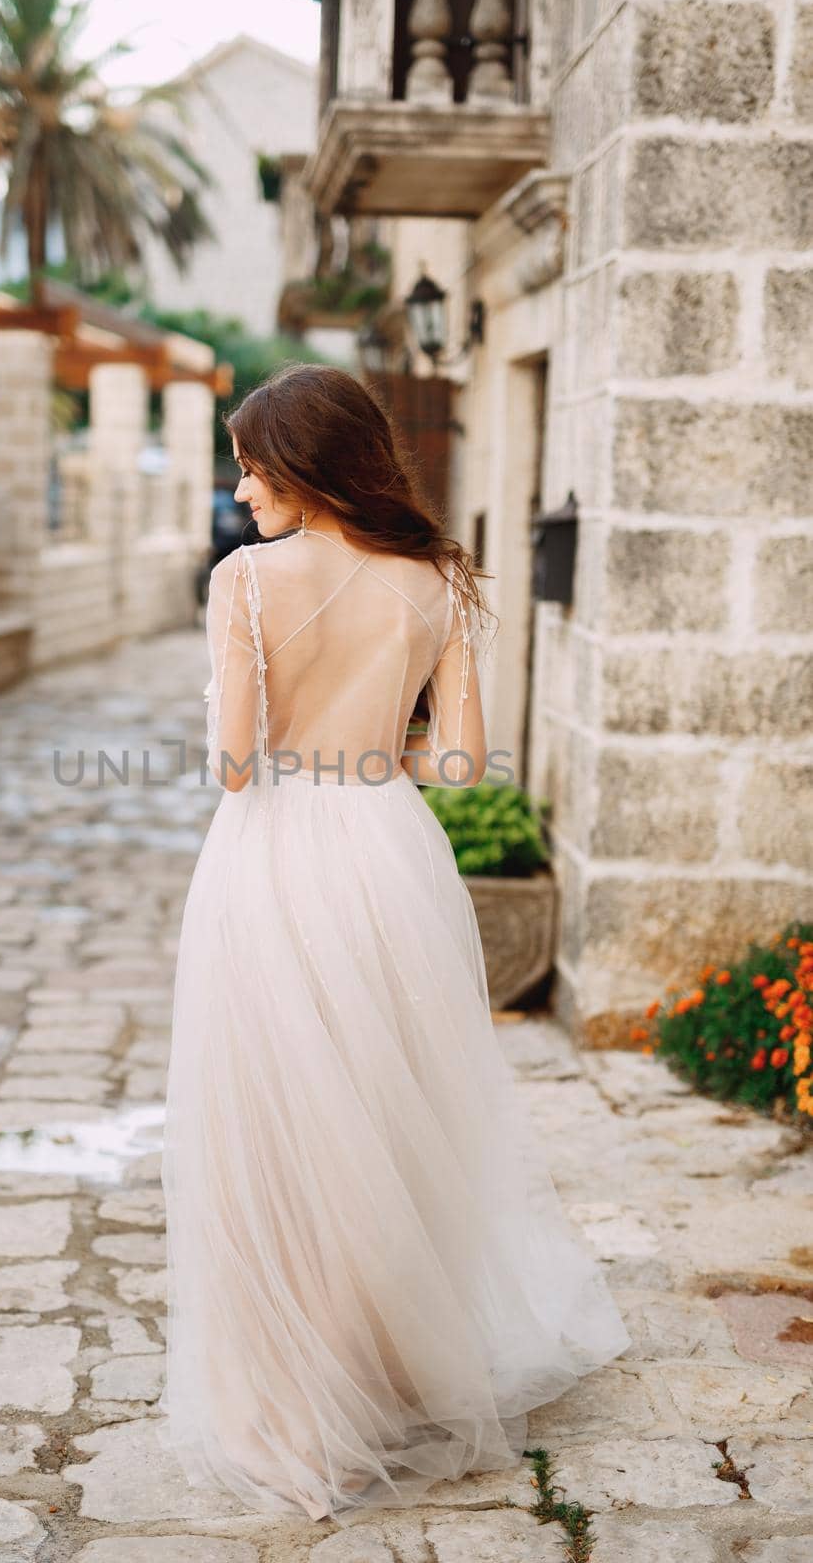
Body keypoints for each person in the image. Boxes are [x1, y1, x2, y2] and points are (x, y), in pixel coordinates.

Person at [157, 363, 630, 1523]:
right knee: (375, 1106)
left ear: (303, 464)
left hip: (272, 853)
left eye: (251, 459)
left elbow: (230, 761)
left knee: (272, 1114)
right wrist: (365, 756)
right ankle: (373, 1372)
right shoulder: (437, 580)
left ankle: (291, 1397)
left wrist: (285, 739)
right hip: (384, 851)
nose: (240, 481)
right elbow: (461, 763)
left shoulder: (246, 582)